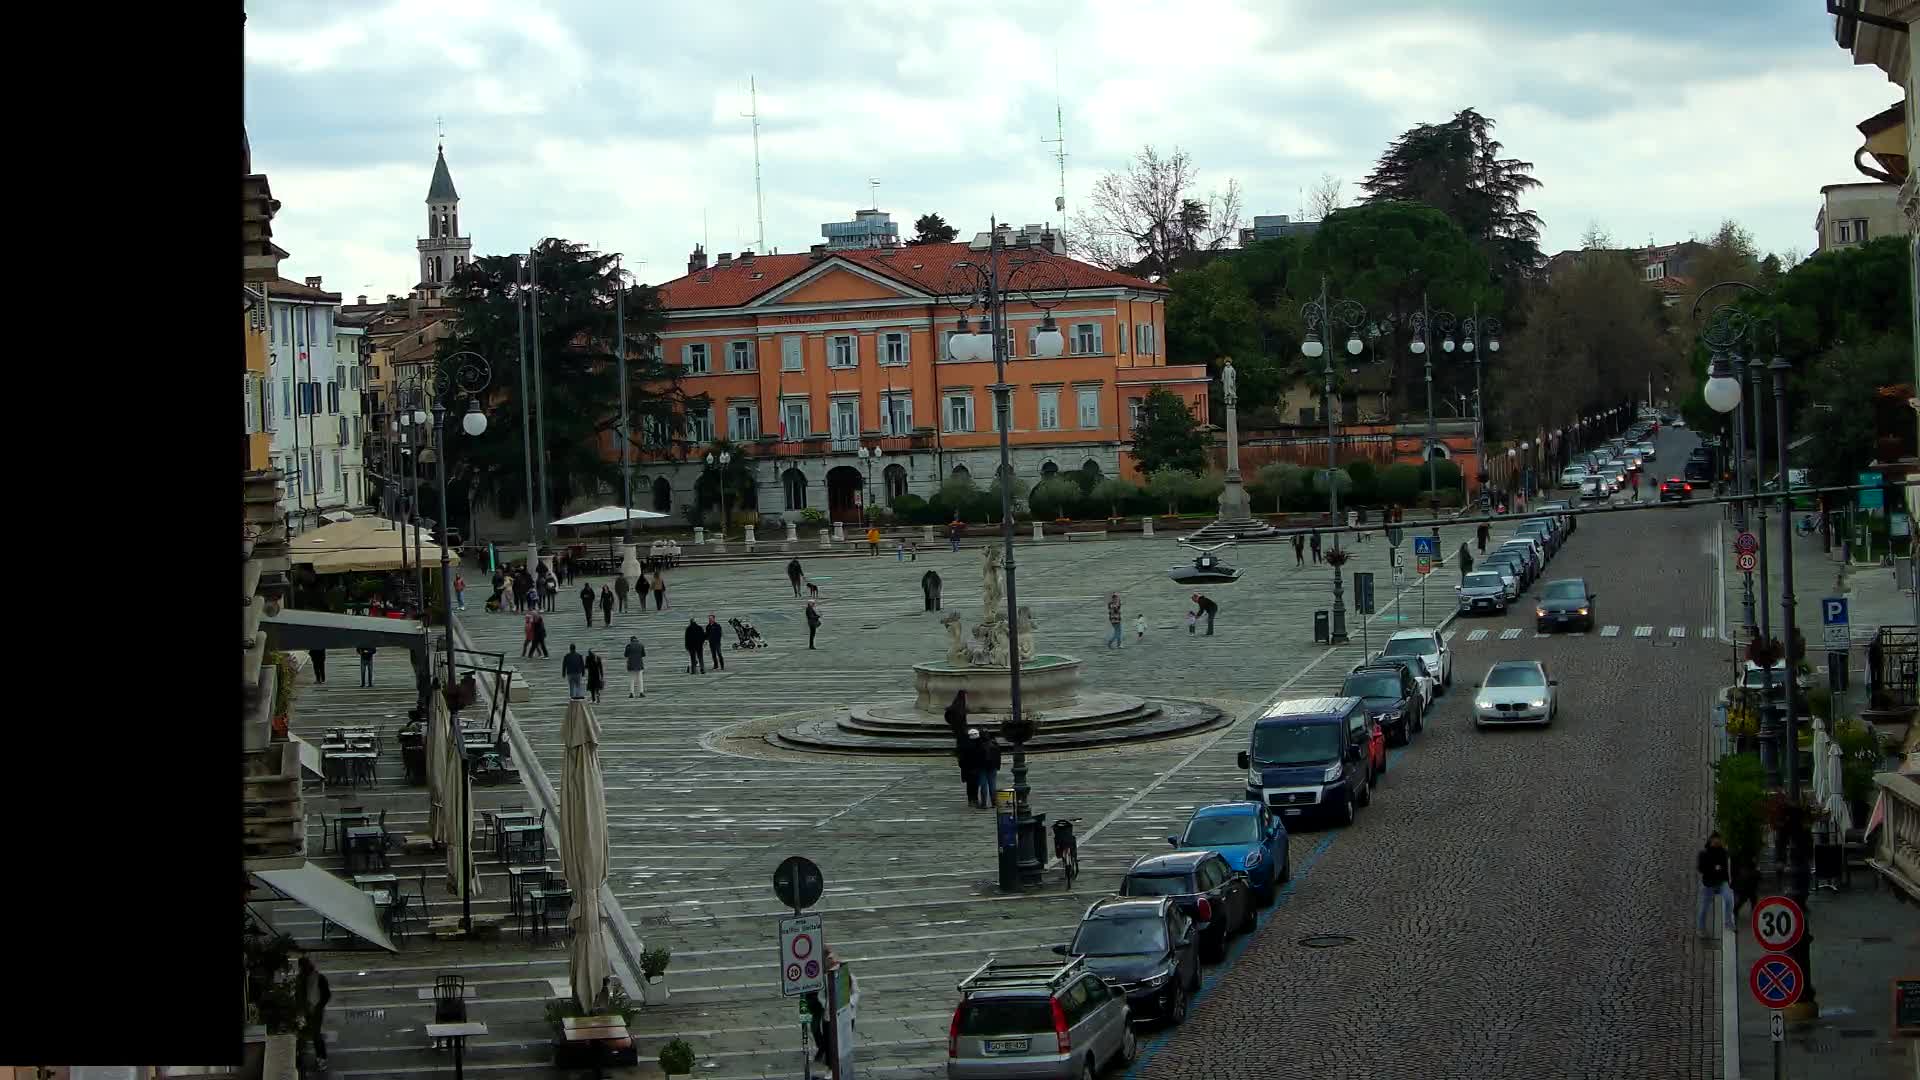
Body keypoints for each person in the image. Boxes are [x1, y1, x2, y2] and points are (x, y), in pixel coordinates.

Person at [296, 951, 331, 1068]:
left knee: (315, 1035)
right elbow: (299, 994)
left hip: (315, 1011)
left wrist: (318, 1007)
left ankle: (321, 1057)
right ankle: (318, 1057)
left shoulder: (319, 978)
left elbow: (326, 995)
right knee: (305, 1034)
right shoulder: (302, 978)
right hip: (308, 1010)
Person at [1695, 832, 1733, 938]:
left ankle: (1728, 922)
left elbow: (1724, 868)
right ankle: (1701, 928)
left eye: (1718, 841)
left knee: (1729, 899)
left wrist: (1724, 876)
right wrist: (1714, 868)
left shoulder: (1723, 853)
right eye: (1715, 841)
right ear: (1711, 841)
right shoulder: (1704, 854)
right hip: (1708, 884)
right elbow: (1701, 868)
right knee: (1704, 907)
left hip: (1721, 882)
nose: (1717, 842)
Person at [955, 725, 982, 807]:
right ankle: (975, 799)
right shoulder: (979, 744)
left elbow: (961, 758)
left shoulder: (964, 744)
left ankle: (971, 799)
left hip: (967, 768)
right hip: (975, 768)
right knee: (975, 785)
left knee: (970, 785)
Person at [976, 729, 1002, 808]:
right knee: (992, 784)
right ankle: (994, 802)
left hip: (982, 767)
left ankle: (984, 803)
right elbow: (998, 756)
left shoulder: (979, 745)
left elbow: (976, 758)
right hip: (993, 766)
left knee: (983, 785)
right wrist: (998, 766)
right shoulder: (994, 744)